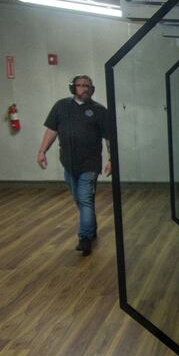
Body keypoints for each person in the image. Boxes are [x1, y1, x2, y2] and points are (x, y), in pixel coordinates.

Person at [37, 74, 111, 256]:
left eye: (87, 85)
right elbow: (52, 130)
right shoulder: (61, 107)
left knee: (85, 200)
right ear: (73, 88)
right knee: (80, 200)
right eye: (80, 85)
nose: (84, 88)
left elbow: (109, 137)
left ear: (92, 89)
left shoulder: (99, 110)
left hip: (90, 164)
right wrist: (42, 151)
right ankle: (90, 228)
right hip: (69, 164)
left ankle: (84, 238)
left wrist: (112, 159)